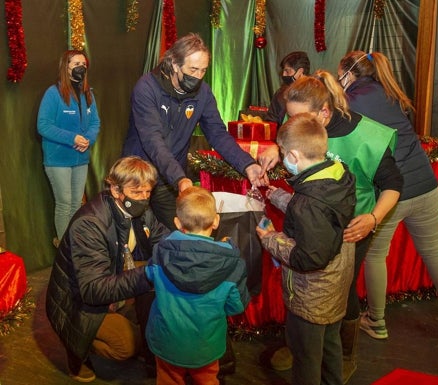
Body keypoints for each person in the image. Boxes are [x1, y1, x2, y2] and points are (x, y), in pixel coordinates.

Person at [338, 50, 438, 340]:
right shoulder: (388, 91)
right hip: (425, 183)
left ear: (348, 74)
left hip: (393, 189)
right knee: (435, 251)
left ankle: (376, 320)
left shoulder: (353, 101)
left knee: (375, 254)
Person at [283, 71, 403, 383]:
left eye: (299, 117)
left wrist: (373, 218)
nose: (292, 123)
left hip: (354, 228)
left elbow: (393, 185)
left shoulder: (367, 137)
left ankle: (343, 354)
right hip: (314, 222)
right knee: (307, 284)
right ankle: (306, 346)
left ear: (323, 112)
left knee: (342, 290)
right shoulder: (304, 127)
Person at [122, 32, 268, 231]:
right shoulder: (147, 88)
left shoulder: (204, 93)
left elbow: (217, 133)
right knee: (134, 238)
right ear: (174, 64)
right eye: (193, 69)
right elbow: (153, 140)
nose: (198, 77)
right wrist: (179, 178)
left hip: (170, 181)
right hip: (140, 176)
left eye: (203, 70)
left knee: (176, 235)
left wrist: (247, 164)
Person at [45, 156, 170, 383]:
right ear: (115, 189)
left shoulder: (140, 209)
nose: (143, 199)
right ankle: (79, 349)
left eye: (147, 192)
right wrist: (149, 274)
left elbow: (163, 239)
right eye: (136, 192)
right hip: (77, 303)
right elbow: (93, 290)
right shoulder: (90, 224)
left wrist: (188, 248)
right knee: (129, 345)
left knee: (154, 319)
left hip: (113, 275)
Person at [256, 113, 357, 385]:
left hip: (312, 295)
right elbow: (318, 215)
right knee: (330, 347)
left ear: (295, 156)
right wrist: (276, 195)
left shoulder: (309, 201)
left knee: (306, 357)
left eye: (285, 155)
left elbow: (307, 256)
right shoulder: (336, 173)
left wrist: (269, 238)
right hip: (336, 285)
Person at [144, 186, 250, 385]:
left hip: (167, 341)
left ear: (177, 222)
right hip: (206, 345)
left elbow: (149, 276)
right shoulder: (231, 263)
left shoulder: (160, 252)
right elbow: (236, 305)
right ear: (216, 221)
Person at [37, 50, 100, 246]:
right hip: (58, 160)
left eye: (84, 63)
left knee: (76, 204)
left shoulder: (88, 93)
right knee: (64, 204)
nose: (81, 66)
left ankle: (75, 243)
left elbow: (95, 122)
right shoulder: (53, 93)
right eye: (76, 63)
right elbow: (43, 125)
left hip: (80, 159)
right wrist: (72, 138)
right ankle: (66, 248)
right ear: (66, 67)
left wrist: (88, 139)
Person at [265, 51, 311, 128]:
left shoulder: (314, 94)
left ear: (300, 72)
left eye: (287, 71)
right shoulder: (280, 94)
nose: (284, 75)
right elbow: (271, 121)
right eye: (283, 71)